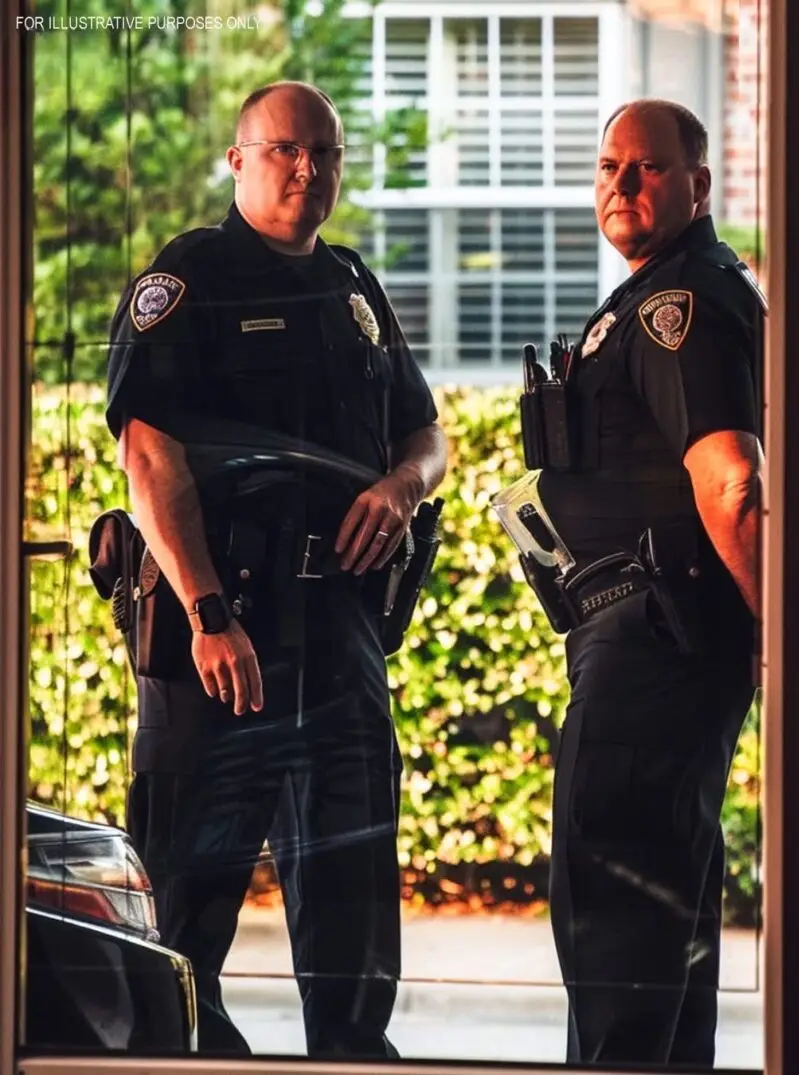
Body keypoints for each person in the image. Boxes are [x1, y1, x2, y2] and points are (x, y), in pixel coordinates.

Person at [103, 81, 447, 1057]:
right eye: (287, 150)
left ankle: (348, 1059)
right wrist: (208, 614)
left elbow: (426, 434)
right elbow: (149, 457)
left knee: (353, 904)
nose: (308, 169)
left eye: (325, 153)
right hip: (224, 629)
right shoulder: (191, 278)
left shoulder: (351, 284)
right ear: (238, 160)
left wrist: (401, 489)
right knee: (187, 904)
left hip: (338, 630)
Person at [534, 99, 764, 1066]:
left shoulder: (683, 306)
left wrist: (780, 637)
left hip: (653, 651)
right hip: (650, 646)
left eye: (648, 168)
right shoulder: (658, 292)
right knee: (659, 931)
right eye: (608, 167)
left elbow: (733, 480)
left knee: (616, 927)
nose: (621, 185)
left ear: (698, 186)